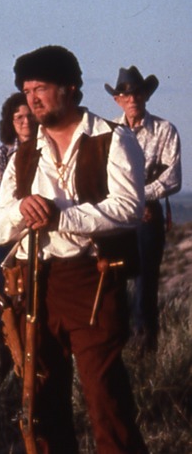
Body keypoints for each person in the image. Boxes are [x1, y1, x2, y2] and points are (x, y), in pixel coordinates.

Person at [0, 45, 147, 453]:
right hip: (35, 285)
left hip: (91, 282)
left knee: (105, 398)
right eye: (26, 91)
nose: (33, 99)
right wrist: (24, 210)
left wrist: (61, 217)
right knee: (42, 402)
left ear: (71, 88)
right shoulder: (25, 155)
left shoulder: (112, 140)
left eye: (41, 88)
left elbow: (128, 209)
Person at [105, 66, 181, 353]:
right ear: (118, 100)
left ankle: (145, 342)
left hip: (148, 213)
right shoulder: (109, 131)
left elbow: (172, 178)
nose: (132, 98)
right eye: (125, 94)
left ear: (145, 96)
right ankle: (116, 340)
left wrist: (139, 199)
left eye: (137, 93)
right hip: (115, 213)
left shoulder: (165, 130)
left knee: (146, 279)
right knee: (112, 277)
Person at [0, 92, 38, 292]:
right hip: (13, 222)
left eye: (30, 116)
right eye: (19, 117)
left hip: (39, 222)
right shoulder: (1, 154)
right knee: (6, 282)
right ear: (11, 122)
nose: (26, 121)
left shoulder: (47, 147)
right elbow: (5, 192)